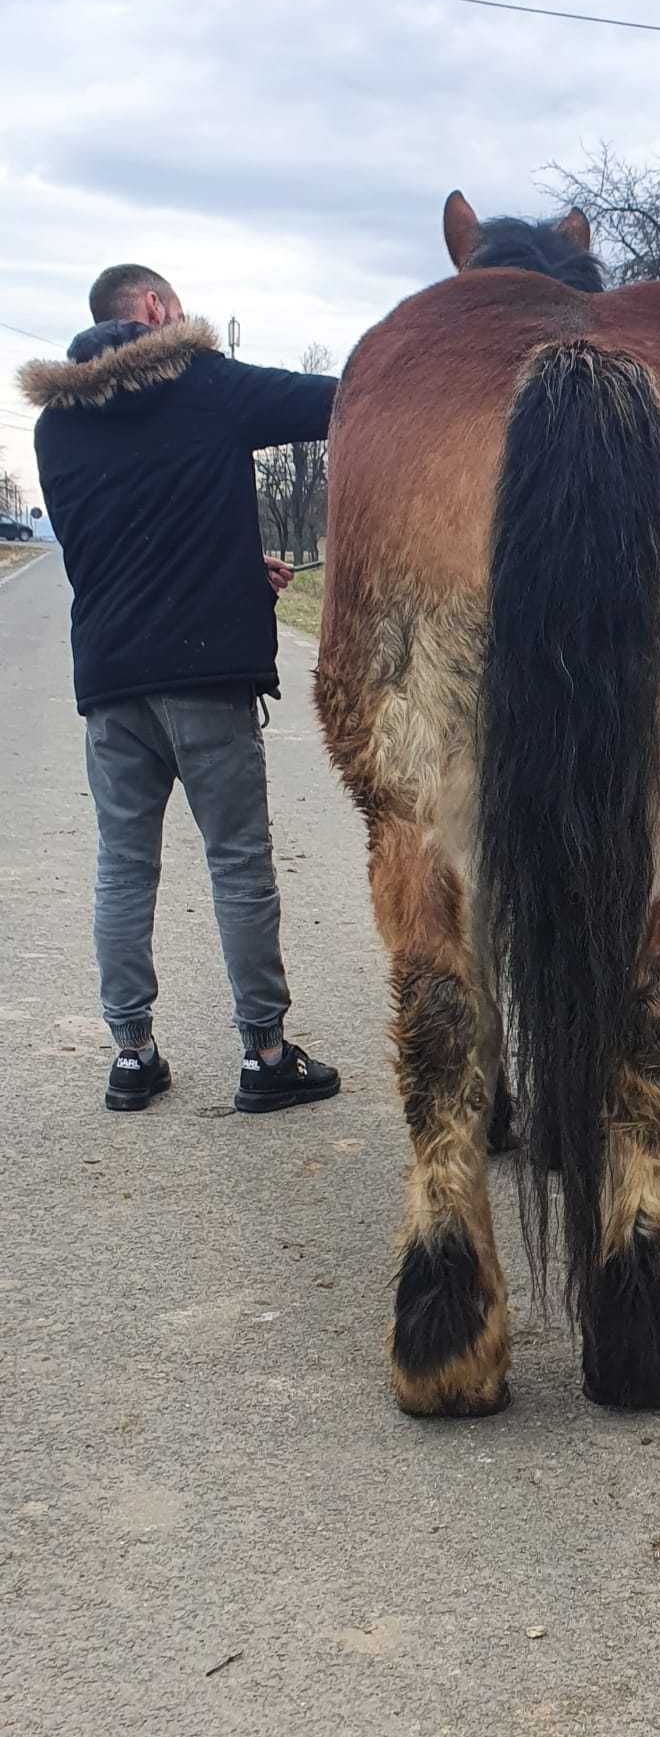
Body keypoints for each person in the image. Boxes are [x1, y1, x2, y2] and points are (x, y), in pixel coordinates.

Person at [22, 263, 342, 1115]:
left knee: (123, 868)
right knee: (238, 865)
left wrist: (238, 570)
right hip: (206, 679)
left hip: (113, 685)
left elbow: (125, 548)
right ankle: (265, 1055)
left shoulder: (55, 428)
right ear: (158, 309)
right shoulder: (205, 383)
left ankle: (131, 1056)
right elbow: (335, 400)